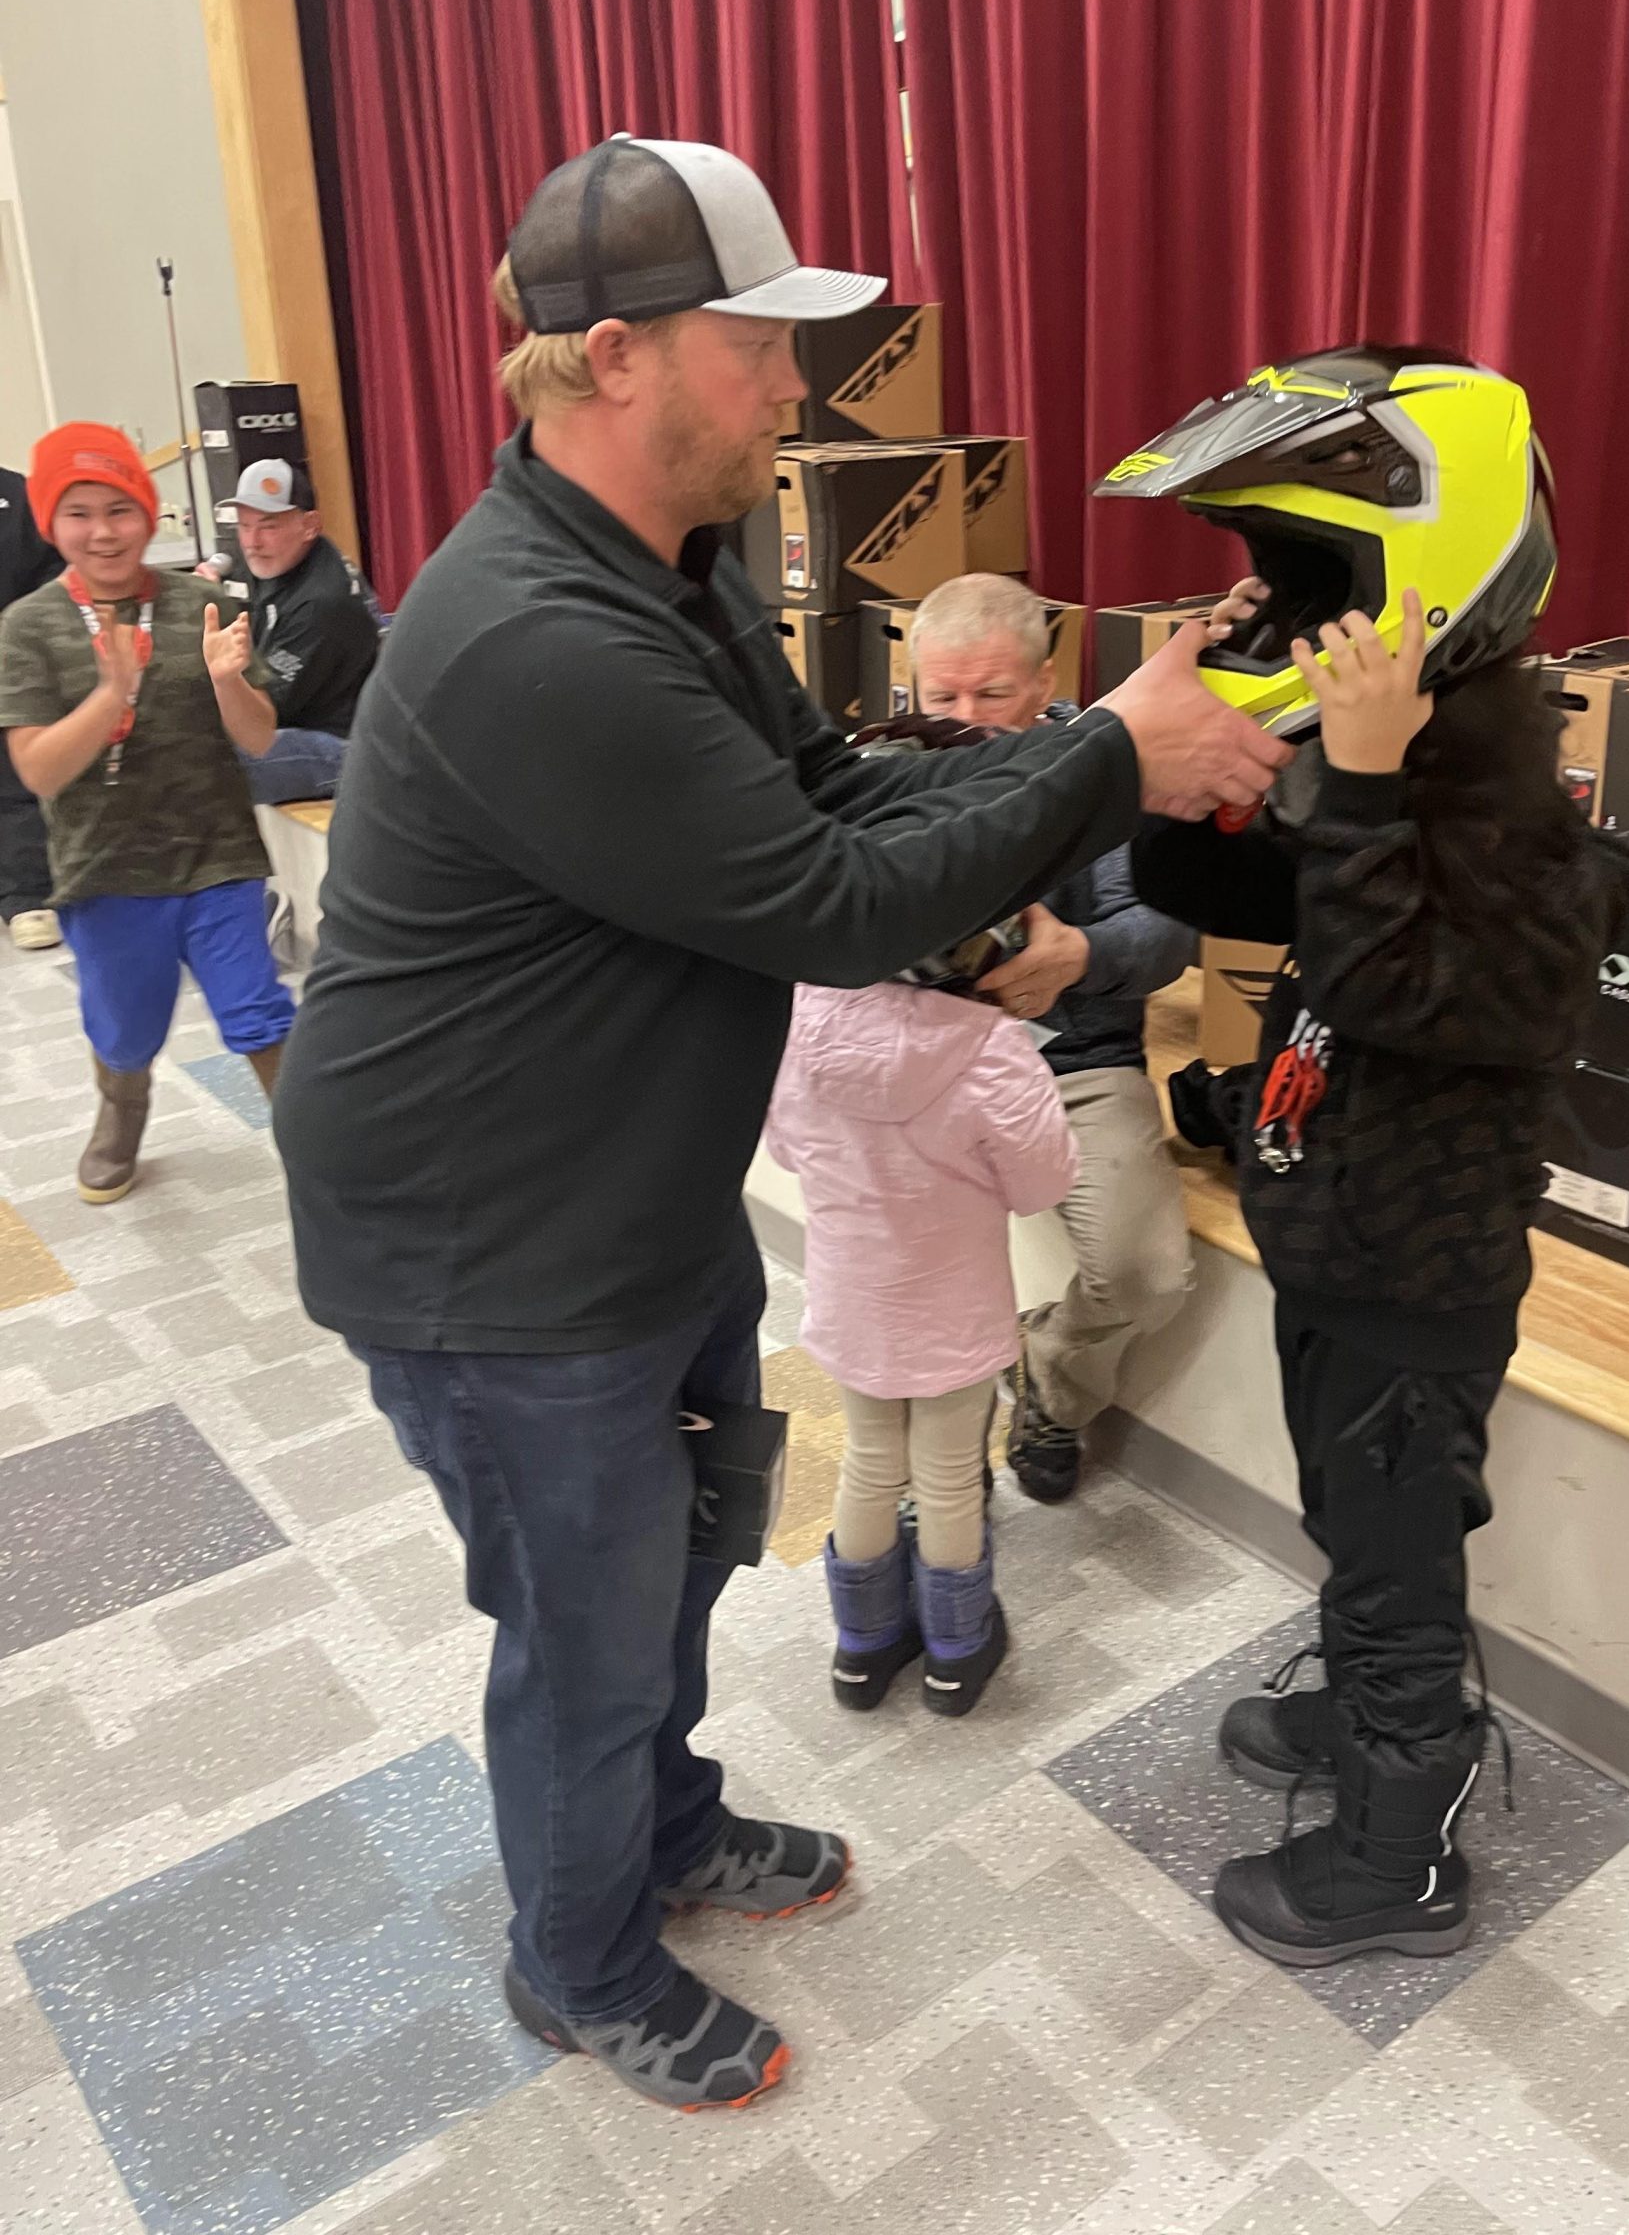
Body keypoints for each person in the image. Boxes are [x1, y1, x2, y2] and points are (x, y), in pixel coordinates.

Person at [271, 136, 1284, 2114]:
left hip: (627, 1196)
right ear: (618, 357)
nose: (795, 388)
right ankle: (578, 1960)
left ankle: (660, 1827)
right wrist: (1107, 751)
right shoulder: (535, 638)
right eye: (757, 344)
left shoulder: (671, 570)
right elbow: (825, 901)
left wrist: (1076, 794)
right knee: (584, 1626)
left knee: (673, 1562)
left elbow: (828, 796)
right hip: (490, 1248)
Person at [1109, 344, 1629, 1968]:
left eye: (1308, 581)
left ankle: (1402, 1861)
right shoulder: (1393, 783)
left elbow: (1403, 986)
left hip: (1417, 1278)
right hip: (1333, 1235)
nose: (1286, 615)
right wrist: (1205, 745)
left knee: (1399, 1558)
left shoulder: (1521, 832)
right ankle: (1362, 1707)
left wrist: (1364, 783)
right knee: (1355, 1520)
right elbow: (1210, 896)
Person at [765, 735, 1080, 1719]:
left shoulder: (800, 1017)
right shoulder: (992, 1049)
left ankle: (861, 1650)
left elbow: (785, 1148)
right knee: (948, 1479)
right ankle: (954, 1651)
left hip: (852, 1307)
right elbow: (1042, 1183)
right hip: (956, 1316)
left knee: (867, 1465)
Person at [909, 574, 1197, 1502]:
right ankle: (935, 1451)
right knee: (895, 1270)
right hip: (922, 1065)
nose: (966, 720)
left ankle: (1051, 1382)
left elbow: (1169, 934)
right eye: (941, 697)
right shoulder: (885, 771)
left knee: (1147, 1275)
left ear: (1044, 684)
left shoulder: (1105, 773)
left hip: (1074, 1061)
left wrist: (1080, 957)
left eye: (992, 694)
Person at [0, 424, 295, 1202]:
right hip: (106, 870)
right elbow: (38, 769)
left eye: (119, 509)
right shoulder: (28, 625)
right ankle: (121, 1110)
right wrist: (111, 695)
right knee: (126, 1029)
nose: (103, 532)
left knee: (258, 1011)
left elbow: (260, 738)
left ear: (147, 512)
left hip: (218, 855)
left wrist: (227, 681)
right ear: (50, 524)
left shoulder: (204, 604)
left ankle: (319, 1147)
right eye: (79, 513)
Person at [195, 458, 380, 803]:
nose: (252, 542)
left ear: (310, 525)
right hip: (297, 722)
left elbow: (261, 720)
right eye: (244, 526)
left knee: (213, 761)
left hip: (345, 746)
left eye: (268, 526)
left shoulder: (322, 603)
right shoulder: (274, 560)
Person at [0, 461, 62, 949]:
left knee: (17, 780)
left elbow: (53, 578)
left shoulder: (19, 496)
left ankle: (27, 898)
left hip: (12, 663)